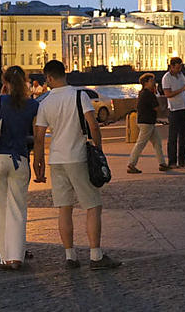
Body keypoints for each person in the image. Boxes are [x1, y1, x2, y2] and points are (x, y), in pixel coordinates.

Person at [33, 60, 120, 270]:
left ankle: (70, 256)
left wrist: (39, 162)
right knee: (92, 205)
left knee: (64, 208)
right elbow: (93, 125)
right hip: (78, 156)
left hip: (56, 159)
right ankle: (95, 255)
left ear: (50, 78)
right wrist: (98, 150)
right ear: (64, 74)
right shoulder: (79, 96)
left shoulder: (44, 103)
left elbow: (38, 136)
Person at [0, 66, 38, 270]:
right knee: (18, 209)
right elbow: (34, 134)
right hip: (20, 159)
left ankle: (5, 257)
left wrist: (0, 96)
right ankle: (17, 257)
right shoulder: (32, 104)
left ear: (4, 82)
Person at [127, 73, 169, 173]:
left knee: (157, 142)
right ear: (146, 83)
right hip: (147, 122)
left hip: (146, 121)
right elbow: (157, 108)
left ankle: (162, 163)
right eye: (151, 81)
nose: (153, 82)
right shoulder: (148, 94)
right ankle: (131, 164)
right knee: (140, 144)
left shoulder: (142, 92)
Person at [162, 57, 185, 168]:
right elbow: (168, 94)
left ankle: (183, 160)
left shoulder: (181, 75)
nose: (179, 69)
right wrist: (182, 89)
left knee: (184, 136)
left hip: (183, 108)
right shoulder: (166, 78)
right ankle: (172, 161)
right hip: (174, 109)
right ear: (171, 66)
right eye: (177, 67)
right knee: (173, 137)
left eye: (180, 66)